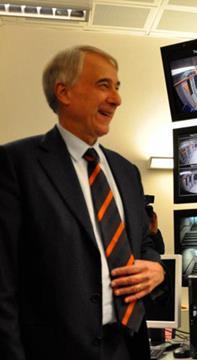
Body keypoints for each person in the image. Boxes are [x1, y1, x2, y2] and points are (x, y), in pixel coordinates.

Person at [0, 46, 166, 360]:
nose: (116, 100)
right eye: (104, 85)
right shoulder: (16, 164)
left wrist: (156, 268)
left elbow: (143, 243)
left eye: (117, 88)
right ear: (63, 91)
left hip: (127, 346)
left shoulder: (126, 171)